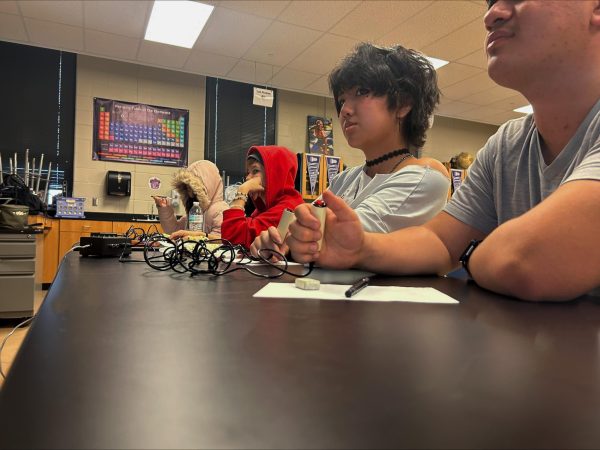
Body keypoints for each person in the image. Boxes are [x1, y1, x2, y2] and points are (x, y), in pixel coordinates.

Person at [287, 0, 600, 302]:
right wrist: (361, 248)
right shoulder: (506, 144)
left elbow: (525, 264)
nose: (492, 14)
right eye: (491, 1)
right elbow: (439, 242)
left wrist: (469, 256)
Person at [250, 43, 450, 259]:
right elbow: (300, 232)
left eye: (361, 92)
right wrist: (277, 242)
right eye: (342, 99)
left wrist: (295, 240)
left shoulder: (426, 176)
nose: (344, 110)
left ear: (403, 103)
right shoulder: (344, 179)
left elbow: (339, 241)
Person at [221, 145, 304, 249]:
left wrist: (242, 191)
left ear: (275, 174)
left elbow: (232, 237)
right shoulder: (264, 208)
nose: (248, 178)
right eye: (248, 172)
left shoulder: (288, 208)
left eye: (255, 171)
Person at [153, 160, 228, 239]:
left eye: (192, 185)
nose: (189, 189)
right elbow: (174, 231)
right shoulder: (196, 210)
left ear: (206, 185)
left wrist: (191, 239)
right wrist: (164, 209)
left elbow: (219, 242)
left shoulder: (221, 211)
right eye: (187, 186)